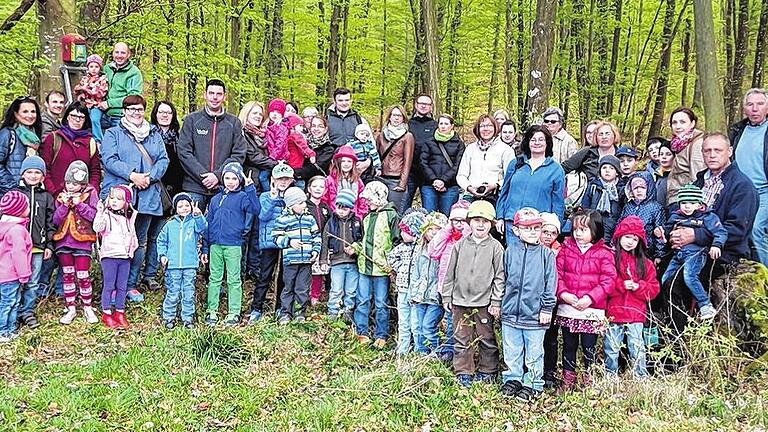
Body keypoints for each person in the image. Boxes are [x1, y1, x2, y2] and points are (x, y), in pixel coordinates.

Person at [667, 132, 758, 331]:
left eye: (718, 150)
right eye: (707, 150)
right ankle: (657, 336)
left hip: (722, 253)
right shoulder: (698, 183)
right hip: (688, 249)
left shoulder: (742, 186)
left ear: (730, 152)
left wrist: (695, 236)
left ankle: (677, 344)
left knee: (676, 284)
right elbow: (680, 213)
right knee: (659, 274)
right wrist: (674, 233)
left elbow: (737, 230)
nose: (712, 155)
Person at [101, 95, 169, 303]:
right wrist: (133, 175)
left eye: (139, 109)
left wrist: (149, 177)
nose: (135, 113)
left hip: (148, 194)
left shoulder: (154, 134)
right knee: (116, 240)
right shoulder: (113, 133)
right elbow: (109, 159)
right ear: (124, 111)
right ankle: (111, 285)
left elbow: (163, 159)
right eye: (131, 109)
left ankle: (130, 284)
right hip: (120, 194)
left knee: (138, 241)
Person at [441, 200, 504, 387]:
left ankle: (488, 370)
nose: (480, 225)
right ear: (470, 222)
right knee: (461, 337)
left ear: (491, 224)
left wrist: (496, 301)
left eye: (485, 221)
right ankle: (463, 370)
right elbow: (450, 272)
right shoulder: (460, 245)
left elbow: (500, 276)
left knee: (486, 338)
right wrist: (447, 295)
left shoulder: (496, 248)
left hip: (484, 302)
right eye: (476, 220)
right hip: (460, 300)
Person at [499, 208, 556, 402]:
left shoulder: (546, 255)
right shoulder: (510, 251)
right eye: (527, 228)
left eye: (537, 228)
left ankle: (533, 383)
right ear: (516, 230)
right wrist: (499, 303)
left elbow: (551, 284)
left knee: (534, 351)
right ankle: (513, 377)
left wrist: (547, 308)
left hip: (534, 313)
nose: (533, 232)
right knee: (512, 348)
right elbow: (502, 278)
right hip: (510, 311)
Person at [555, 209, 616, 390]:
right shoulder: (565, 250)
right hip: (569, 306)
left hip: (591, 309)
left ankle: (589, 378)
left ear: (595, 230)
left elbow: (609, 280)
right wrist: (563, 294)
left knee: (589, 346)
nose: (578, 234)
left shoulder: (604, 253)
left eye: (583, 230)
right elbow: (557, 275)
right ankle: (568, 378)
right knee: (569, 344)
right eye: (575, 230)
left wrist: (590, 298)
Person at [202, 162, 260, 326]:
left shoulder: (243, 197)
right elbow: (209, 224)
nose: (230, 181)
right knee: (214, 278)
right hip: (215, 245)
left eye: (234, 178)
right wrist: (206, 246)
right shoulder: (215, 199)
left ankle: (233, 312)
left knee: (234, 279)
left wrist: (250, 189)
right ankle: (211, 311)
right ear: (222, 178)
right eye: (227, 178)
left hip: (233, 244)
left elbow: (256, 209)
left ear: (240, 180)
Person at [176, 79, 246, 209]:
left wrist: (217, 175)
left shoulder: (234, 123)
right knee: (192, 226)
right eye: (211, 93)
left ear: (224, 96)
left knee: (222, 227)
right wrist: (203, 176)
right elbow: (183, 151)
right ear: (205, 95)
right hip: (194, 186)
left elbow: (238, 154)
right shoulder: (191, 120)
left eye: (219, 94)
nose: (215, 97)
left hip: (224, 187)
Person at [605, 216, 660, 378]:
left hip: (636, 313)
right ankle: (610, 376)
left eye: (635, 239)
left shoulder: (646, 263)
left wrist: (638, 286)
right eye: (627, 236)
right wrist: (621, 285)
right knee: (611, 347)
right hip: (614, 312)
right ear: (619, 237)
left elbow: (654, 288)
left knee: (637, 347)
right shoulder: (610, 258)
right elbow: (605, 284)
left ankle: (640, 377)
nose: (630, 241)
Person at [662, 185, 728, 320]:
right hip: (678, 254)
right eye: (684, 203)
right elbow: (667, 230)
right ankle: (668, 313)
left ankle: (705, 305)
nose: (687, 206)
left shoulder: (707, 217)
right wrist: (661, 232)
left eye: (692, 203)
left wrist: (716, 245)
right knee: (665, 279)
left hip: (696, 253)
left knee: (690, 276)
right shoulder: (676, 216)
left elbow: (720, 232)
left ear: (699, 204)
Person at [351, 181, 399, 349]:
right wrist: (355, 248)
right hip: (364, 266)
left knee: (381, 302)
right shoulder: (366, 217)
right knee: (362, 300)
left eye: (370, 199)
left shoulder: (391, 216)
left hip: (382, 269)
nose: (367, 202)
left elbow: (396, 242)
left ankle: (382, 334)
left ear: (379, 198)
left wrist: (391, 263)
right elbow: (362, 240)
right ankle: (361, 332)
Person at [496, 125, 565, 240]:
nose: (537, 143)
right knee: (513, 257)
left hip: (538, 226)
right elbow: (504, 192)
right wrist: (500, 217)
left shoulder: (556, 170)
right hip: (513, 224)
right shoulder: (516, 164)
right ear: (527, 142)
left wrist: (555, 227)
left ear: (547, 142)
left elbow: (558, 203)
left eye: (541, 139)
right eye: (533, 139)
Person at [52, 161, 99, 325]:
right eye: (69, 183)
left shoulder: (90, 194)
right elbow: (56, 220)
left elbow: (94, 217)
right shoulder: (61, 196)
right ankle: (70, 307)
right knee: (67, 275)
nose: (71, 186)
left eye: (76, 183)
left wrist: (79, 205)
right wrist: (64, 206)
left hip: (83, 241)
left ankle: (87, 306)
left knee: (83, 275)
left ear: (83, 183)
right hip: (63, 241)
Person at [248, 162, 294, 324]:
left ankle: (280, 308)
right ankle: (256, 308)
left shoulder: (293, 197)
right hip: (269, 243)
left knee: (283, 277)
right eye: (280, 178)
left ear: (291, 180)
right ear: (273, 179)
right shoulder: (266, 196)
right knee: (264, 276)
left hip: (287, 243)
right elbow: (263, 216)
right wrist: (274, 199)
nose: (282, 182)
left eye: (286, 179)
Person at [428, 200, 471, 362]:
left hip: (463, 287)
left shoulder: (468, 238)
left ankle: (459, 353)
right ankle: (448, 351)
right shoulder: (447, 239)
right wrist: (446, 229)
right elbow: (432, 251)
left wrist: (466, 229)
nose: (459, 224)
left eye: (462, 221)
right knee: (448, 321)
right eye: (455, 221)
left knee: (460, 323)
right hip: (445, 286)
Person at [15, 156, 55, 330]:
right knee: (17, 280)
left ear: (43, 176)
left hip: (38, 246)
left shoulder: (46, 197)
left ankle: (27, 310)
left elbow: (50, 223)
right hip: (17, 247)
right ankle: (14, 311)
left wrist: (50, 245)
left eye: (37, 172)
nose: (33, 175)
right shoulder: (15, 194)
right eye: (29, 172)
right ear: (23, 174)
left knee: (33, 281)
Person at [238, 101, 277, 279]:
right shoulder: (242, 134)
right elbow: (253, 157)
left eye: (260, 115)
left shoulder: (263, 136)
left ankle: (253, 268)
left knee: (257, 230)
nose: (258, 117)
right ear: (246, 114)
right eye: (254, 113)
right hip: (248, 185)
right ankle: (239, 268)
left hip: (263, 187)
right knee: (245, 229)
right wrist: (277, 164)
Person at [729, 88, 768, 266]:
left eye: (760, 104)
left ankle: (764, 276)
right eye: (750, 104)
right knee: (737, 230)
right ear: (744, 108)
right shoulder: (737, 131)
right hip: (741, 192)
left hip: (764, 192)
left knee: (755, 229)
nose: (755, 109)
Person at [158, 193, 207, 329]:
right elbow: (161, 241)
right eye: (180, 206)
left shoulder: (194, 222)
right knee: (173, 291)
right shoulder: (169, 225)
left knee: (188, 292)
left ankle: (187, 318)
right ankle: (169, 317)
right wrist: (162, 255)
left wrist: (198, 215)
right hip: (173, 265)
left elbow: (203, 228)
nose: (184, 208)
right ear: (175, 208)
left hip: (190, 264)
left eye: (187, 205)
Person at [93, 185, 138, 329]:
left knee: (122, 286)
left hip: (125, 257)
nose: (114, 201)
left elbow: (133, 236)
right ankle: (106, 313)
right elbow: (97, 228)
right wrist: (99, 212)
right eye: (112, 198)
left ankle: (120, 311)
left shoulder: (128, 218)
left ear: (126, 202)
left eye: (119, 199)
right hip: (110, 256)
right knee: (109, 285)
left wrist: (131, 250)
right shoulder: (106, 216)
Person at [273, 187, 321, 324]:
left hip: (306, 260)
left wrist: (315, 251)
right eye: (300, 203)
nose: (304, 205)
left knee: (302, 288)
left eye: (304, 202)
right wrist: (289, 241)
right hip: (290, 260)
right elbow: (276, 237)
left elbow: (316, 236)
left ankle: (299, 312)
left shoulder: (309, 219)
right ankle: (285, 313)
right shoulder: (283, 219)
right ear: (290, 204)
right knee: (288, 286)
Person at [39, 102, 100, 197]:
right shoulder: (54, 138)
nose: (77, 120)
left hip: (82, 200)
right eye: (73, 116)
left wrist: (91, 192)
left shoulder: (90, 142)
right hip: (56, 197)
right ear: (67, 117)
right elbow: (45, 168)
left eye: (81, 117)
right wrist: (54, 193)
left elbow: (95, 171)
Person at [387, 208, 426, 355]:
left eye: (405, 231)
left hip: (416, 292)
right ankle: (402, 349)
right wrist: (401, 268)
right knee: (403, 321)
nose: (402, 234)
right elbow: (391, 258)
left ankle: (418, 349)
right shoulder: (401, 248)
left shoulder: (421, 249)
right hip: (402, 289)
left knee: (416, 323)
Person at [321, 189, 363, 322]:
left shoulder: (357, 222)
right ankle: (333, 311)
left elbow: (362, 239)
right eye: (339, 207)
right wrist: (323, 260)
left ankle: (348, 311)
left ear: (351, 208)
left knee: (351, 289)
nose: (341, 211)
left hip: (352, 262)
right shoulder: (331, 223)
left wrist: (355, 249)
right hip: (336, 261)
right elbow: (325, 241)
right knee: (336, 289)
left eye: (345, 208)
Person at [456, 114, 514, 204]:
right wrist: (469, 187)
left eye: (489, 126)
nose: (486, 129)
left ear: (495, 128)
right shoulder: (470, 149)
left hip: (495, 197)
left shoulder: (506, 150)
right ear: (477, 129)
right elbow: (461, 175)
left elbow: (510, 176)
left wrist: (495, 185)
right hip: (470, 196)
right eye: (482, 126)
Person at [411, 212, 448, 355]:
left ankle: (436, 353)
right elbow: (416, 273)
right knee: (419, 327)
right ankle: (421, 354)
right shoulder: (421, 249)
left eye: (437, 229)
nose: (433, 233)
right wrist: (412, 293)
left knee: (428, 326)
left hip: (435, 297)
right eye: (430, 229)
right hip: (420, 295)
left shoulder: (445, 250)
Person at [0, 191, 32, 343]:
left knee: (10, 301)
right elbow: (19, 253)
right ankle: (4, 331)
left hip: (4, 274)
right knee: (9, 302)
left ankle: (10, 329)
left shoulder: (5, 226)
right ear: (20, 210)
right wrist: (24, 273)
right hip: (11, 275)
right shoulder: (17, 230)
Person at [419, 114, 465, 215]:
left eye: (446, 124)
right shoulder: (429, 142)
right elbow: (423, 162)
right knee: (428, 218)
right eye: (441, 123)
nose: (443, 126)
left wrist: (444, 180)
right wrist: (434, 180)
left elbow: (458, 165)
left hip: (450, 186)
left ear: (452, 126)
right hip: (429, 185)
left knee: (448, 218)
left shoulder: (459, 144)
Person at [618, 171, 666, 260]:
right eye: (635, 188)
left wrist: (659, 255)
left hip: (646, 251)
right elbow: (619, 226)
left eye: (643, 187)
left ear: (649, 188)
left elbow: (659, 234)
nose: (639, 190)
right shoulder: (628, 206)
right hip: (626, 248)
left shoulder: (656, 208)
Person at [376, 105, 415, 213]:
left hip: (396, 180)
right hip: (381, 178)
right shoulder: (381, 136)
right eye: (394, 115)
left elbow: (408, 162)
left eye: (399, 115)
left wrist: (402, 183)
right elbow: (377, 157)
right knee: (380, 212)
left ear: (403, 118)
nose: (396, 118)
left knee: (394, 213)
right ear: (389, 117)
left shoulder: (407, 137)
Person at [0, 96, 42, 195]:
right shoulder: (7, 134)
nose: (30, 115)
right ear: (16, 114)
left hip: (30, 192)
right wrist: (13, 187)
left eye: (33, 111)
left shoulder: (34, 137)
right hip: (10, 194)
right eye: (25, 112)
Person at [540, 211, 562, 388]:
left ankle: (549, 371)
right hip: (530, 299)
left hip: (551, 299)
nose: (548, 236)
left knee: (550, 337)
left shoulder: (559, 252)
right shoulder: (529, 248)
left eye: (553, 233)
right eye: (545, 231)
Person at [666, 107, 705, 204]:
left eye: (682, 122)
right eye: (674, 122)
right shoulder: (679, 144)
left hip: (685, 201)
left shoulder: (696, 144)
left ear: (692, 123)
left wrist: (690, 204)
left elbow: (697, 177)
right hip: (676, 197)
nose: (678, 126)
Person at [580, 155, 622, 242]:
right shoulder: (593, 186)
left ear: (617, 172)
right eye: (604, 168)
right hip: (594, 223)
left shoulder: (620, 189)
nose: (607, 171)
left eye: (611, 168)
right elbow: (585, 206)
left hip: (613, 225)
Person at [407, 94, 438, 208]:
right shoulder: (407, 124)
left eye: (427, 104)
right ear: (416, 105)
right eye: (421, 103)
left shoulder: (436, 126)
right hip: (410, 172)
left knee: (429, 210)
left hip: (429, 174)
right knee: (402, 207)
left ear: (431, 107)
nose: (424, 106)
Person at [102, 42, 144, 126]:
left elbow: (133, 98)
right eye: (117, 52)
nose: (119, 55)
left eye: (123, 53)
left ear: (128, 55)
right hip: (103, 114)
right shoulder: (107, 69)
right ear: (113, 53)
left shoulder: (134, 73)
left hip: (121, 116)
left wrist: (109, 103)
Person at [321, 145, 367, 219]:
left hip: (353, 218)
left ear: (353, 164)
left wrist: (359, 216)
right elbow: (324, 200)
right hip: (334, 217)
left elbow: (363, 201)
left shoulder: (358, 181)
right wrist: (331, 215)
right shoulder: (330, 180)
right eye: (343, 161)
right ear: (338, 163)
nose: (346, 164)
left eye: (349, 161)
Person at [305, 176, 330, 305]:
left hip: (321, 243)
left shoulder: (325, 208)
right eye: (315, 186)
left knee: (318, 271)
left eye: (321, 187)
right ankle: (303, 296)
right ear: (309, 188)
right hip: (306, 243)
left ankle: (315, 296)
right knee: (305, 271)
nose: (318, 189)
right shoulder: (304, 205)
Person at [73, 54, 109, 143]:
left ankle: (99, 140)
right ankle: (78, 135)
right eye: (91, 66)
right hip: (85, 104)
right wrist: (81, 90)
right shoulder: (85, 79)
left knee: (94, 119)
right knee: (77, 117)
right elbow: (76, 89)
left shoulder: (102, 79)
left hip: (96, 105)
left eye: (96, 66)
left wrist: (86, 89)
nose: (93, 69)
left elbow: (100, 93)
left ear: (100, 68)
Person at [296, 115, 335, 181]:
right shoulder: (303, 143)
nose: (316, 129)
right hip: (296, 179)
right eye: (314, 126)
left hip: (316, 182)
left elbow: (316, 168)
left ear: (325, 130)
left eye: (320, 126)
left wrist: (293, 172)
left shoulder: (329, 148)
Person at [653, 139, 675, 205]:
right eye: (661, 154)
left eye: (668, 154)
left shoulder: (678, 177)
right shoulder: (656, 174)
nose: (664, 157)